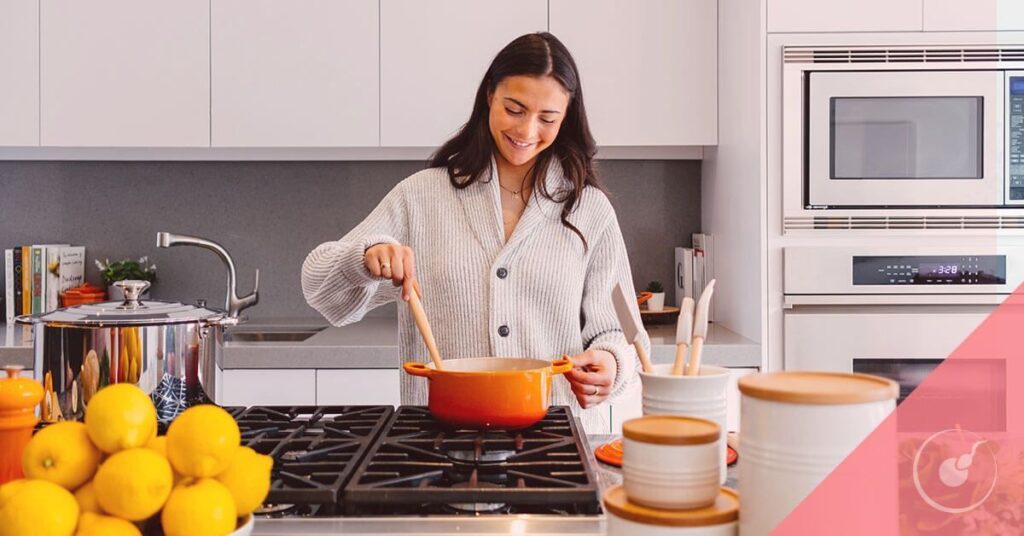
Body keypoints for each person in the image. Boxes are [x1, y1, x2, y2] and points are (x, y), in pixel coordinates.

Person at [302, 32, 648, 433]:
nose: (527, 130)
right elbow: (320, 289)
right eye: (514, 109)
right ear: (489, 96)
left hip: (552, 443)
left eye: (547, 118)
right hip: (435, 442)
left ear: (566, 116)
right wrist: (365, 258)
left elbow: (620, 332)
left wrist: (610, 363)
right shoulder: (423, 196)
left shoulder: (589, 209)